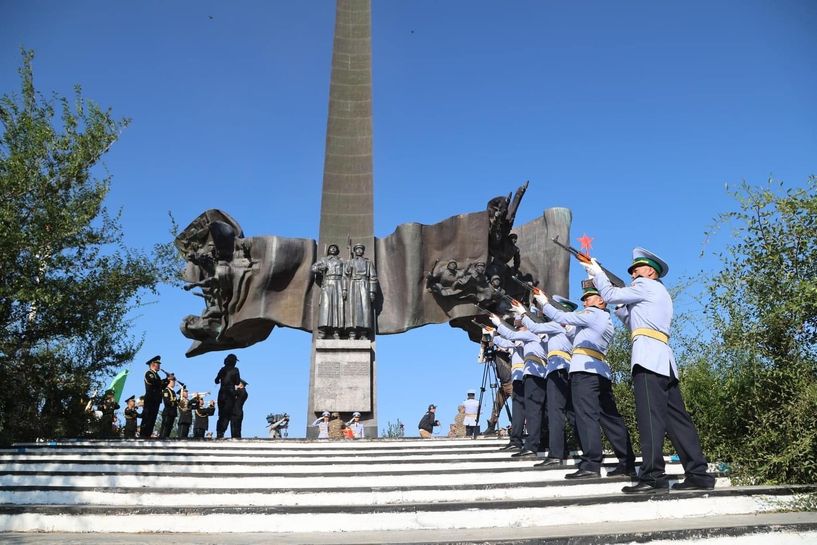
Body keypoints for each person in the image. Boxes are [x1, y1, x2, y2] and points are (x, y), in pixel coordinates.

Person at [585, 248, 716, 494]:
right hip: (663, 361)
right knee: (677, 420)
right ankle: (698, 474)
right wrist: (624, 304)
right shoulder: (656, 292)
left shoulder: (646, 286)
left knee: (650, 419)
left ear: (651, 272)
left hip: (647, 359)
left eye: (638, 269)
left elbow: (610, 294)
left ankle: (653, 476)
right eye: (633, 270)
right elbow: (632, 321)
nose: (634, 273)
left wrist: (596, 271)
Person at [535, 283, 636, 479]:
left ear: (601, 301)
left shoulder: (593, 315)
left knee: (586, 416)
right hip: (600, 372)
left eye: (589, 298)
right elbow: (570, 331)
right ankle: (627, 462)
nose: (585, 302)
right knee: (610, 419)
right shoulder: (602, 319)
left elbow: (561, 317)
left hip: (584, 371)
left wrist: (543, 301)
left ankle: (591, 464)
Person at [515, 295, 578, 467]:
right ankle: (572, 447)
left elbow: (534, 327)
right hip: (565, 369)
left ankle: (556, 453)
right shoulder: (569, 327)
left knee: (555, 412)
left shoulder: (558, 325)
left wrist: (523, 313)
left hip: (557, 370)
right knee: (570, 412)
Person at [489, 313, 547, 458]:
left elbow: (510, 340)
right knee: (519, 409)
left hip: (526, 374)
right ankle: (515, 439)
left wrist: (497, 327)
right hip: (518, 375)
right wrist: (493, 335)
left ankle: (529, 440)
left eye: (518, 320)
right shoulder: (520, 336)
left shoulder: (528, 335)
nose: (516, 321)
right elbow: (506, 343)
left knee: (531, 409)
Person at [492, 333, 526, 451]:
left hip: (511, 381)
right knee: (497, 404)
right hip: (503, 383)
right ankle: (492, 424)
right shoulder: (495, 353)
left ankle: (521, 428)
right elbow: (482, 359)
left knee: (518, 406)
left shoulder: (510, 350)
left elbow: (507, 347)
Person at [311, 244, 347, 339]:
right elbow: (313, 268)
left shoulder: (341, 261)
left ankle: (336, 332)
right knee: (325, 308)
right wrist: (320, 268)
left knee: (338, 308)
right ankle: (322, 331)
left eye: (335, 247)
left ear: (337, 250)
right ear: (328, 250)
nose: (333, 249)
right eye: (331, 248)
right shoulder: (324, 260)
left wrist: (344, 289)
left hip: (338, 283)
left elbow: (345, 275)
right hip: (327, 283)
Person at [345, 243, 378, 340]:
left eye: (360, 249)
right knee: (353, 309)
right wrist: (348, 266)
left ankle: (363, 333)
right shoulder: (350, 262)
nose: (359, 251)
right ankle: (352, 333)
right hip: (353, 285)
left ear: (363, 251)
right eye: (357, 249)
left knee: (364, 309)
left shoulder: (368, 263)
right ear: (354, 251)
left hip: (364, 285)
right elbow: (346, 274)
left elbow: (373, 277)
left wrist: (372, 291)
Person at [140, 355, 167, 438]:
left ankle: (148, 434)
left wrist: (167, 380)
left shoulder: (157, 375)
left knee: (153, 418)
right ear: (152, 364)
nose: (159, 365)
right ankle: (143, 434)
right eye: (157, 363)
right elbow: (154, 382)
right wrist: (164, 380)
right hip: (150, 398)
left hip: (156, 399)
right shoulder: (149, 373)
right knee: (147, 417)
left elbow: (161, 386)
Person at [215, 353, 240, 438]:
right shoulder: (235, 370)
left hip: (221, 393)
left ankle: (219, 431)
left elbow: (216, 380)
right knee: (226, 414)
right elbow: (237, 382)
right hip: (230, 394)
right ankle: (221, 432)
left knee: (221, 413)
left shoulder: (222, 369)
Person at [159, 373, 179, 439]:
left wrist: (178, 402)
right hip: (168, 412)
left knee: (168, 430)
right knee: (165, 430)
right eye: (172, 381)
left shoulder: (172, 391)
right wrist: (175, 403)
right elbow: (167, 402)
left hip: (172, 412)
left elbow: (174, 401)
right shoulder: (166, 390)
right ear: (169, 381)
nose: (174, 382)